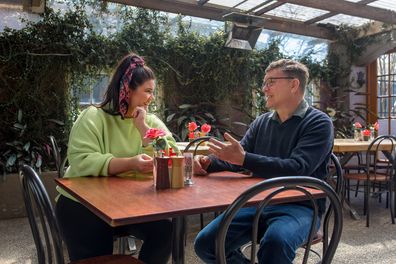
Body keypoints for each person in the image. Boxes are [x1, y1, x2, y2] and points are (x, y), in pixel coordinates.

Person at [193, 59, 333, 264]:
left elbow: (298, 168)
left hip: (301, 205)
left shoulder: (319, 122)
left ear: (294, 84)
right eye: (264, 83)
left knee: (275, 243)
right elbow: (240, 159)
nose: (264, 88)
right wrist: (208, 163)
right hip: (256, 202)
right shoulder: (262, 122)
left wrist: (243, 158)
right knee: (205, 244)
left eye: (271, 82)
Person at [55, 53, 178, 264]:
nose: (152, 98)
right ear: (127, 89)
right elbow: (81, 160)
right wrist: (131, 164)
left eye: (153, 92)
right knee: (100, 256)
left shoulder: (150, 121)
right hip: (83, 205)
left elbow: (172, 155)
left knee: (166, 230)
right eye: (147, 91)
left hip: (131, 205)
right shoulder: (93, 116)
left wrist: (143, 130)